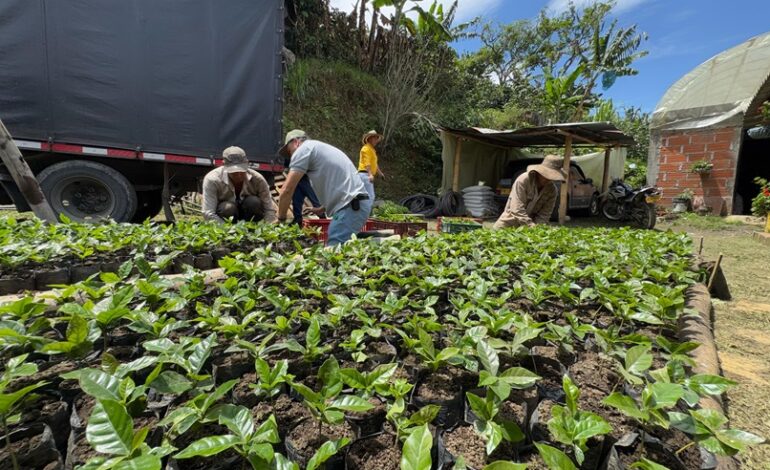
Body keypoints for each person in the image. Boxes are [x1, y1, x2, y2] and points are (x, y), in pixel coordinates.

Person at [276, 130, 372, 246]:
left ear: (296, 142)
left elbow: (286, 190)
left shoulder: (303, 150)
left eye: (290, 151)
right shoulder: (318, 148)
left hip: (351, 206)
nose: (291, 156)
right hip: (354, 204)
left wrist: (281, 219)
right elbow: (339, 181)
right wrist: (321, 209)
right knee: (341, 243)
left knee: (334, 246)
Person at [201, 146, 277, 223]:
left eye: (242, 170)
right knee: (227, 208)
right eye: (234, 172)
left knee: (253, 202)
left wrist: (268, 228)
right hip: (226, 218)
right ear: (224, 165)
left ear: (247, 164)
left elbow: (269, 209)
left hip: (249, 214)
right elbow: (208, 213)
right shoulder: (212, 179)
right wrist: (227, 230)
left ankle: (252, 229)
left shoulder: (257, 179)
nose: (239, 175)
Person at [493, 155, 567, 229]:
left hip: (530, 229)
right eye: (547, 174)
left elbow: (545, 214)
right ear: (540, 172)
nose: (548, 178)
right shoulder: (524, 180)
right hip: (508, 224)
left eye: (552, 176)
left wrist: (538, 229)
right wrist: (530, 226)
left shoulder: (552, 190)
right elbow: (516, 209)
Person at [358, 130, 385, 202]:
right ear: (369, 138)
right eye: (375, 138)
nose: (376, 140)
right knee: (370, 197)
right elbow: (367, 163)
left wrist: (380, 173)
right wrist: (370, 174)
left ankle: (362, 211)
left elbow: (375, 164)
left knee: (366, 197)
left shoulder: (372, 150)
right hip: (365, 174)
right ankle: (364, 212)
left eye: (377, 138)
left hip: (367, 174)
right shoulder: (366, 149)